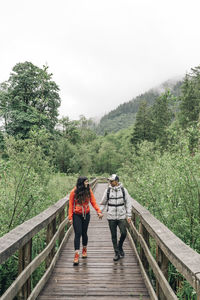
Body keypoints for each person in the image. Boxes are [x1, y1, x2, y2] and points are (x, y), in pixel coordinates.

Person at [68, 176, 103, 266]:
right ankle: (76, 255)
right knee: (78, 233)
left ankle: (84, 249)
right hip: (77, 215)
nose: (88, 183)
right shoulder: (74, 192)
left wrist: (98, 211)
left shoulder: (89, 191)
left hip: (86, 214)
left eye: (88, 181)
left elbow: (93, 202)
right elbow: (71, 205)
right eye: (86, 182)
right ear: (81, 183)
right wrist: (70, 217)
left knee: (84, 233)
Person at [100, 174, 132, 261]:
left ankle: (120, 246)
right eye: (109, 181)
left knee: (124, 233)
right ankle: (116, 252)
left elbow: (128, 203)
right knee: (113, 235)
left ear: (116, 181)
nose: (110, 182)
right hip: (111, 216)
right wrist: (100, 212)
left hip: (121, 215)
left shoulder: (123, 190)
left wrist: (129, 215)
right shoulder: (108, 191)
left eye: (111, 181)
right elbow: (103, 203)